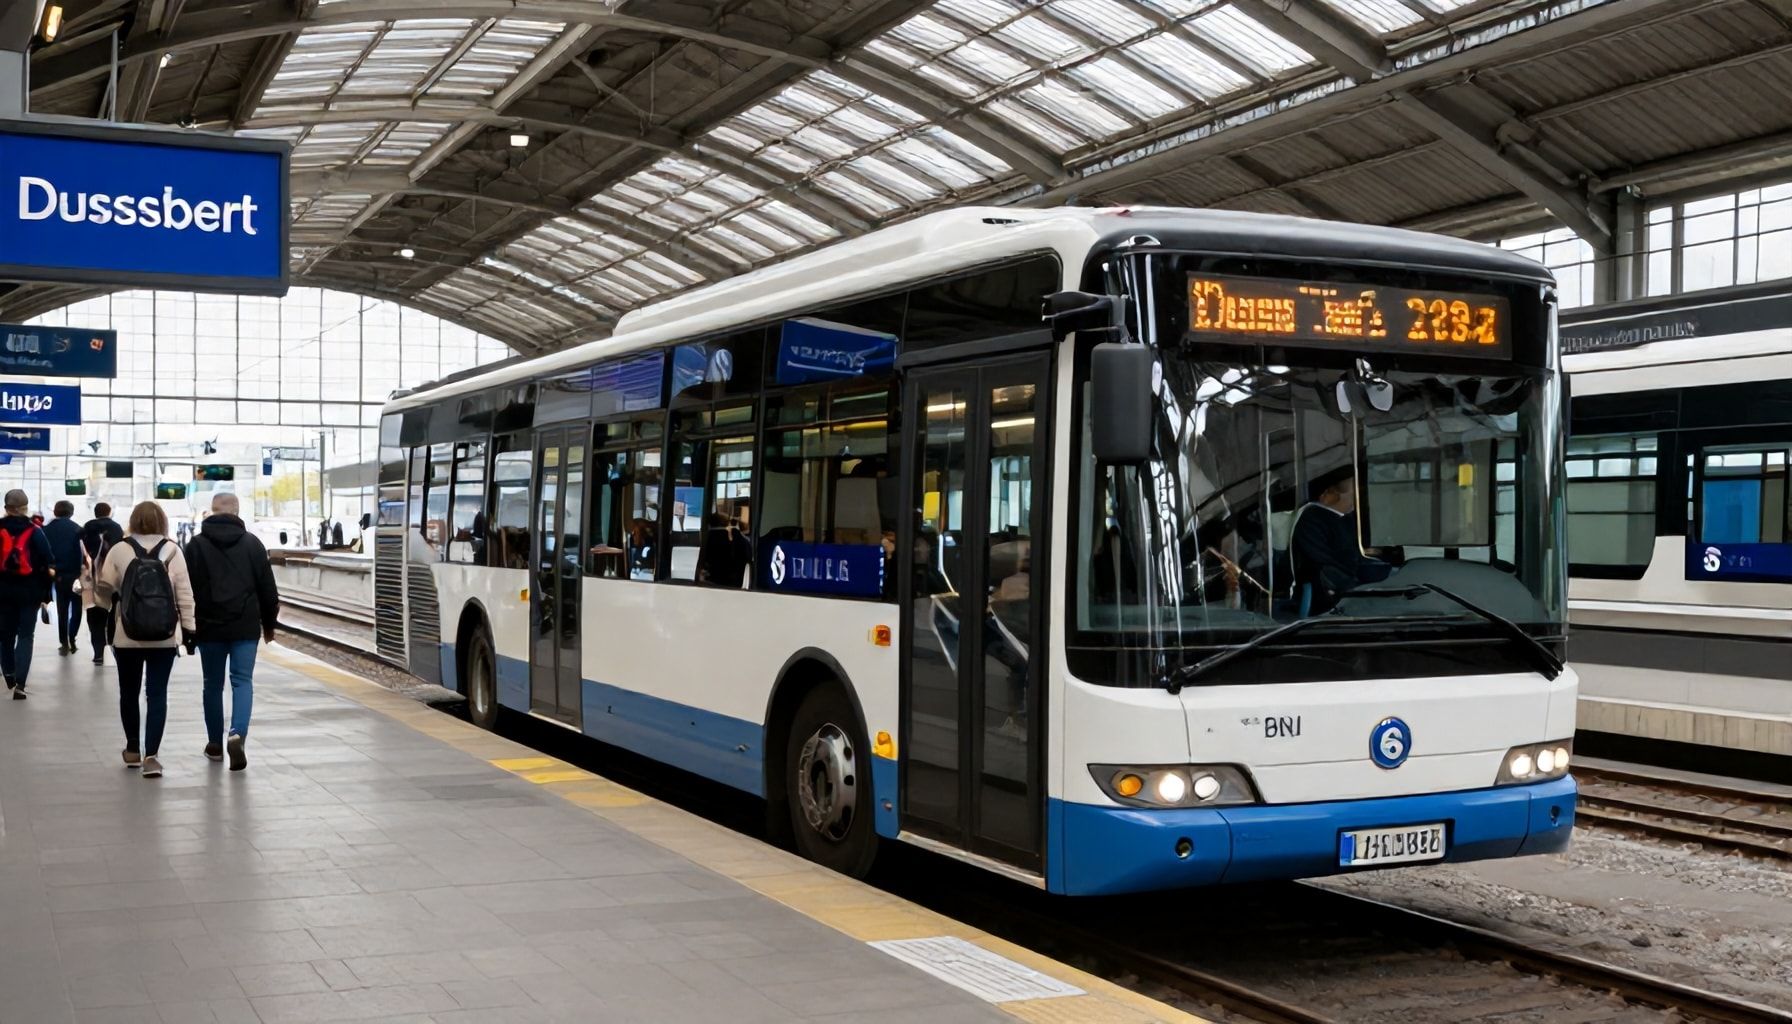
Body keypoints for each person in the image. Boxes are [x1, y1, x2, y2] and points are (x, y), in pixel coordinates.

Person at [97, 501, 198, 778]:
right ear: (162, 521)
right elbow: (185, 595)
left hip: (126, 636)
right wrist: (189, 630)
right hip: (164, 637)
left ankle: (132, 750)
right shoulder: (173, 550)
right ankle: (151, 756)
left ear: (133, 520)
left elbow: (104, 592)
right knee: (157, 695)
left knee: (128, 693)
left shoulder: (119, 549)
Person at [185, 492, 278, 771]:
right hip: (245, 625)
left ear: (212, 511)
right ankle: (237, 733)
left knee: (212, 684)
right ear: (237, 512)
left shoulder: (196, 545)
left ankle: (214, 744)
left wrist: (188, 628)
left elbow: (186, 590)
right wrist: (269, 624)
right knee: (242, 681)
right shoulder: (252, 544)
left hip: (209, 626)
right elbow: (267, 589)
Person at [1290, 466, 1390, 615]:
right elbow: (1325, 566)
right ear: (1331, 495)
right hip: (1328, 598)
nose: (1357, 499)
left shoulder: (1348, 518)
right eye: (1353, 494)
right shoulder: (1311, 520)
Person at [0, 490, 52, 699]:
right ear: (24, 507)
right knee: (25, 635)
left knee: (4, 636)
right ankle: (21, 684)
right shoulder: (35, 531)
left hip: (2, 591)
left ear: (6, 507)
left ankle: (9, 675)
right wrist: (44, 591)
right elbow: (48, 558)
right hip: (29, 591)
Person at [80, 503, 124, 665]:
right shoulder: (116, 528)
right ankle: (111, 645)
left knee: (94, 615)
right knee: (112, 613)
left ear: (95, 512)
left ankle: (98, 651)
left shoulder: (87, 528)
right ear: (109, 512)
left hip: (92, 579)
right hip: (112, 578)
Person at [42, 500, 84, 655]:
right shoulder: (78, 529)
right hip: (74, 574)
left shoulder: (47, 529)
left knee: (63, 608)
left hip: (57, 574)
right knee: (77, 607)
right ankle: (72, 636)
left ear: (55, 512)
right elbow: (81, 553)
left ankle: (63, 639)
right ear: (71, 512)